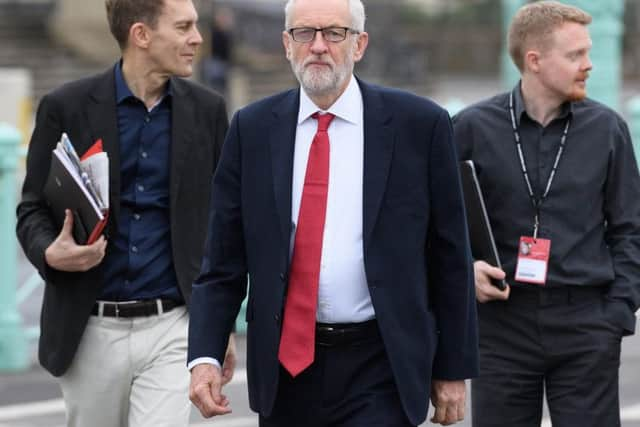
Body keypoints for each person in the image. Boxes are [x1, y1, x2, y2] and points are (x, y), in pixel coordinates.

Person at [187, 0, 478, 426]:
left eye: (334, 33)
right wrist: (206, 355)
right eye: (305, 34)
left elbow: (450, 255)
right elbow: (223, 259)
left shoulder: (420, 126)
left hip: (381, 362)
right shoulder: (252, 130)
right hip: (285, 367)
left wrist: (452, 367)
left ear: (360, 44)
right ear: (287, 44)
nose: (318, 46)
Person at [15, 0, 235, 426]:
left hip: (173, 325)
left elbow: (223, 224)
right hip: (89, 328)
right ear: (142, 35)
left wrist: (218, 322)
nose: (198, 38)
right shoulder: (66, 107)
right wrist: (50, 252)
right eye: (185, 26)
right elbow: (31, 209)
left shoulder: (208, 111)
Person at [452, 2, 640, 426]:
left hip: (586, 325)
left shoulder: (608, 130)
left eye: (588, 53)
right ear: (534, 61)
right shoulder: (469, 129)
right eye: (575, 55)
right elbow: (438, 226)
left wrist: (616, 315)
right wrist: (469, 269)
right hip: (501, 326)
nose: (588, 65)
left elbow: (631, 229)